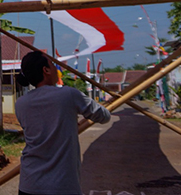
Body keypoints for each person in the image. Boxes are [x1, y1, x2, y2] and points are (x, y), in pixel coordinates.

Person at [15, 51, 111, 195]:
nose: (57, 69)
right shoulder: (68, 95)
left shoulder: (21, 104)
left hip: (29, 184)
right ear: (45, 70)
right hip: (62, 186)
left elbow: (43, 126)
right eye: (53, 65)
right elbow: (103, 116)